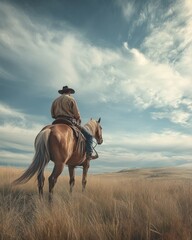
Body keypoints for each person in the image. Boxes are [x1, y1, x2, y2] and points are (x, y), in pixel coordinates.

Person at [51, 86, 93, 160]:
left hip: (56, 121)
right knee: (89, 136)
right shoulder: (71, 99)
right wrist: (78, 119)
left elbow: (52, 115)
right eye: (70, 92)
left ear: (62, 92)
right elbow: (76, 114)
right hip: (69, 121)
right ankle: (89, 154)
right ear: (69, 92)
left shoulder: (55, 101)